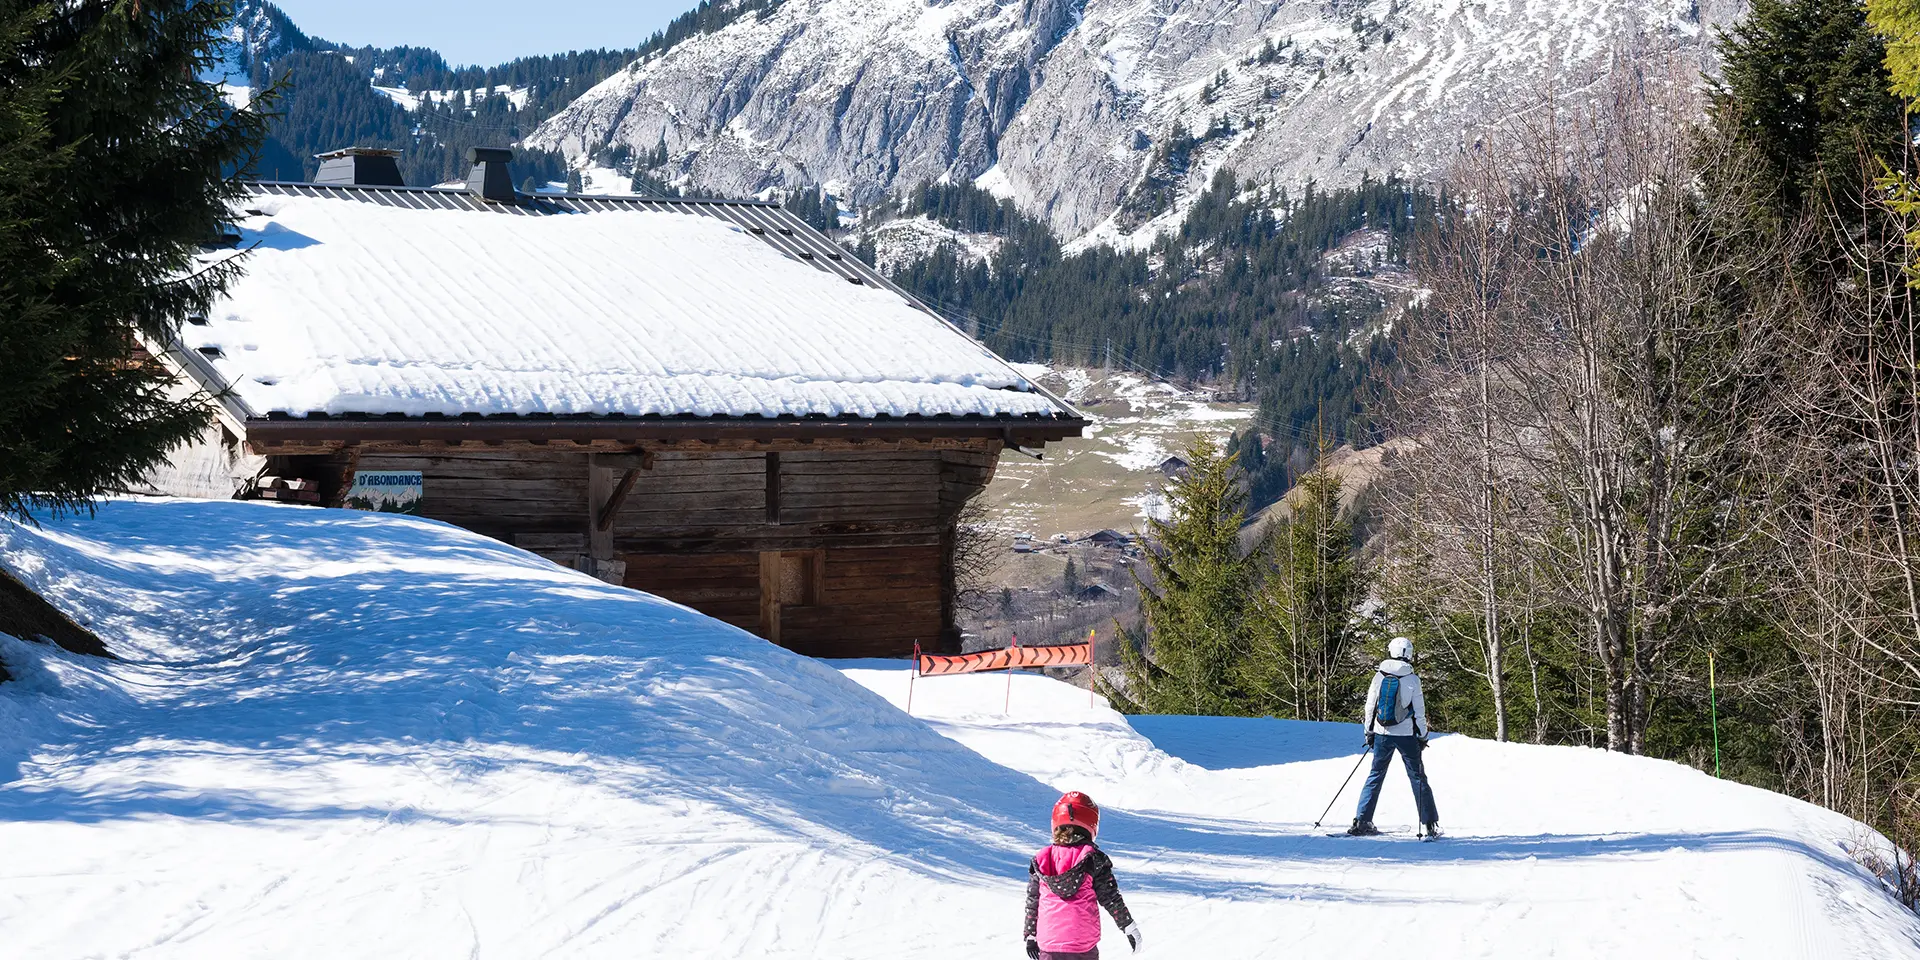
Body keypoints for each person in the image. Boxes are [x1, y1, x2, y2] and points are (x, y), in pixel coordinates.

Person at [1024, 791, 1142, 959]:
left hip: (1048, 945)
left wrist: (1030, 934)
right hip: (1082, 947)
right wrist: (1128, 926)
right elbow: (1110, 897)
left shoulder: (1042, 859)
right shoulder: (1092, 858)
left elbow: (1033, 900)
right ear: (1092, 824)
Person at [1349, 636, 1441, 838]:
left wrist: (1369, 731)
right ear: (1408, 654)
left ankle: (1361, 821)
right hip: (1406, 735)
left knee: (1375, 775)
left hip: (1382, 733)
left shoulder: (1379, 676)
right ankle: (1430, 825)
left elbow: (1370, 707)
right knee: (1418, 777)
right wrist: (1423, 735)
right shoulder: (1413, 679)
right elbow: (1419, 711)